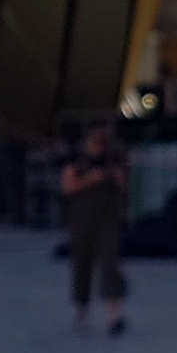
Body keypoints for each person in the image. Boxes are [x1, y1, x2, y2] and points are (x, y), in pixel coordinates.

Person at [61, 124, 130, 337]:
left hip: (108, 218)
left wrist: (115, 176)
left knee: (109, 263)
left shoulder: (113, 157)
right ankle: (81, 309)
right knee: (82, 264)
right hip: (82, 218)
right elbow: (68, 186)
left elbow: (123, 185)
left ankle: (114, 314)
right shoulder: (77, 159)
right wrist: (91, 179)